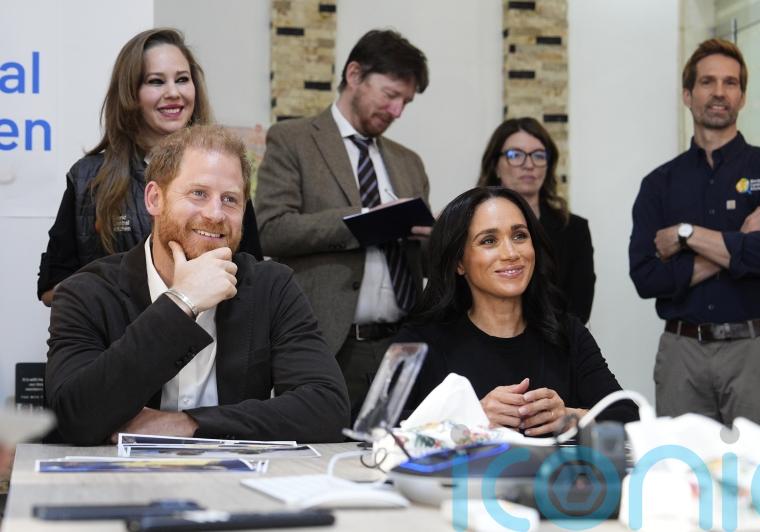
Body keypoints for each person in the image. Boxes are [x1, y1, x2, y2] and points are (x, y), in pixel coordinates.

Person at [45, 125, 349, 445]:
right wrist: (182, 302)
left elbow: (327, 409)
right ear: (154, 198)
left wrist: (187, 425)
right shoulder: (86, 292)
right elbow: (74, 417)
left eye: (230, 199)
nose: (215, 214)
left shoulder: (272, 286)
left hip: (237, 485)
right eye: (198, 193)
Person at [254, 29, 431, 420]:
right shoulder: (293, 140)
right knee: (322, 460)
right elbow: (271, 229)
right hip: (330, 345)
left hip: (405, 345)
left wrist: (438, 238)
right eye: (390, 95)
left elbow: (425, 256)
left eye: (406, 101)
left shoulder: (408, 161)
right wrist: (364, 223)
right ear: (354, 75)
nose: (398, 110)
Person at [629, 38, 760, 433]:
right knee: (681, 477)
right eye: (708, 82)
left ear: (742, 96)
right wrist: (738, 238)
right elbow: (646, 277)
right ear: (688, 94)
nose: (720, 92)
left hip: (754, 350)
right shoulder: (659, 184)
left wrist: (686, 235)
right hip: (681, 352)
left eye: (731, 83)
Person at [37, 27, 262, 307]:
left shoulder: (225, 172)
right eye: (156, 81)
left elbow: (253, 274)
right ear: (130, 92)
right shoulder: (89, 178)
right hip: (120, 342)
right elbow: (50, 287)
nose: (173, 93)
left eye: (182, 79)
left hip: (214, 341)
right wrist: (135, 299)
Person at [397, 187, 637, 433]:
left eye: (520, 236)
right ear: (459, 262)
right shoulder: (421, 340)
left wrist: (569, 417)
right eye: (489, 241)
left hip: (554, 472)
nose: (511, 253)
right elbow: (377, 425)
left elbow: (628, 416)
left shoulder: (567, 332)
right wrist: (469, 416)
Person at [478, 118, 595, 324]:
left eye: (538, 156)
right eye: (515, 155)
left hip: (555, 345)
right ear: (496, 166)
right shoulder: (471, 225)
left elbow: (579, 310)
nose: (529, 164)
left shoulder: (574, 229)